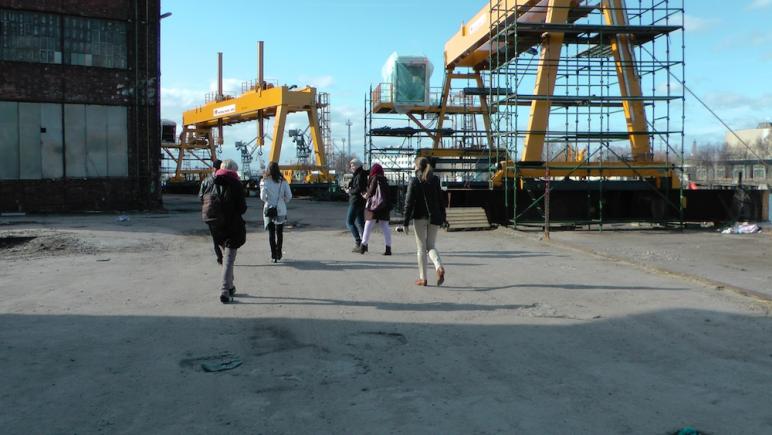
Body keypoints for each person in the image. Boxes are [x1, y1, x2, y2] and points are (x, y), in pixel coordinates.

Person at [402, 157, 447, 286]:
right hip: (434, 217)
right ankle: (438, 266)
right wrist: (443, 217)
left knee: (421, 248)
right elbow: (441, 200)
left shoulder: (414, 181)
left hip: (419, 218)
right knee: (431, 246)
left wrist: (405, 222)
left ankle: (423, 278)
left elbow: (408, 203)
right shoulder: (435, 179)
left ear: (417, 167)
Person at [208, 159, 247, 303]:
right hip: (232, 225)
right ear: (233, 170)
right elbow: (242, 208)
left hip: (216, 225)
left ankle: (230, 286)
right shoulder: (235, 183)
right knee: (229, 259)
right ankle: (225, 290)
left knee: (227, 258)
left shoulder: (211, 181)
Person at [260, 161, 293, 262]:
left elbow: (262, 197)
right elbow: (289, 196)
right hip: (281, 209)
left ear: (268, 170)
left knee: (271, 233)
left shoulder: (264, 181)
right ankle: (279, 253)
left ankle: (273, 255)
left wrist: (268, 201)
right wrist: (282, 201)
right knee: (279, 232)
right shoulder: (283, 181)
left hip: (269, 209)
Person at [359, 163, 392, 255]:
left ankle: (363, 245)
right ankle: (388, 248)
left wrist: (365, 195)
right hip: (384, 206)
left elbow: (371, 191)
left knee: (368, 225)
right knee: (385, 227)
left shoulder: (375, 178)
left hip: (373, 206)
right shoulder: (384, 180)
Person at [199, 159, 223, 264]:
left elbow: (201, 196)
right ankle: (226, 251)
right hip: (221, 211)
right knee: (223, 233)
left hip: (209, 211)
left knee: (214, 236)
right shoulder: (224, 180)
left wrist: (206, 204)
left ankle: (219, 257)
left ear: (213, 168)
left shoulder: (206, 180)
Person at [345, 158, 367, 251]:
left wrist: (349, 191)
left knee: (349, 222)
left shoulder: (359, 175)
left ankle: (358, 242)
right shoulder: (361, 174)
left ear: (357, 165)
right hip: (361, 202)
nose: (351, 167)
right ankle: (364, 244)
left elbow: (358, 189)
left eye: (352, 165)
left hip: (355, 201)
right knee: (361, 223)